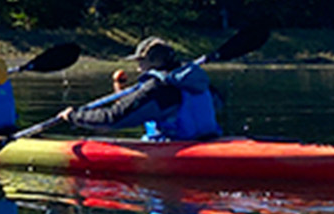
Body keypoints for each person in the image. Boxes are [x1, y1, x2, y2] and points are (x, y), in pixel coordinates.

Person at [60, 36, 221, 140]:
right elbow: (218, 103)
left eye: (140, 62)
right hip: (210, 140)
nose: (138, 68)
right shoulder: (197, 82)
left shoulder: (157, 89)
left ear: (153, 62)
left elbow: (112, 119)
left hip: (178, 150)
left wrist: (74, 116)